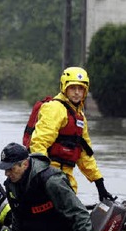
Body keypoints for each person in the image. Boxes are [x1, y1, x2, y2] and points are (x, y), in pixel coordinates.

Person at [29, 66, 115, 202]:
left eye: (80, 88)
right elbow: (39, 142)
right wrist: (44, 174)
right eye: (72, 88)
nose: (76, 93)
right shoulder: (55, 108)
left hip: (66, 179)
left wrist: (99, 184)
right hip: (50, 176)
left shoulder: (79, 116)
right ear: (64, 87)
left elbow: (85, 154)